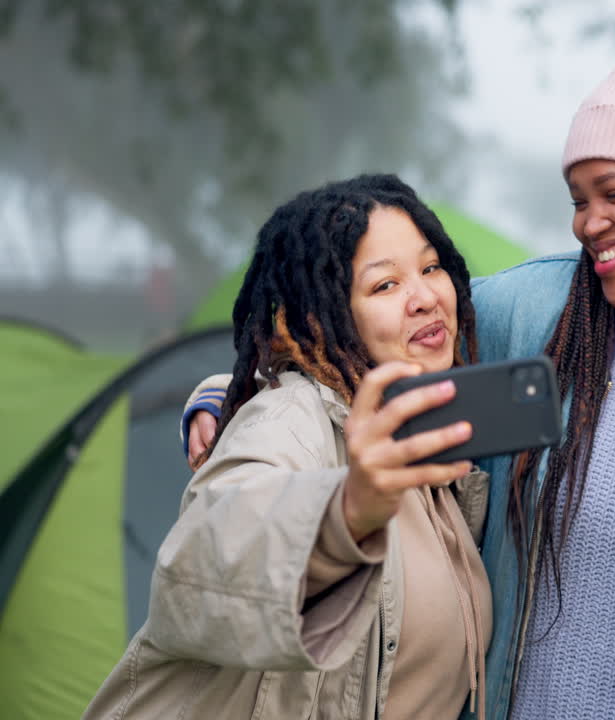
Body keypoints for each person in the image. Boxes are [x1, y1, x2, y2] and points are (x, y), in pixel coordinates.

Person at [181, 33, 615, 718]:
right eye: (577, 198)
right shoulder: (536, 314)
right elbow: (354, 339)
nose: (587, 222)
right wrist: (226, 397)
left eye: (613, 193)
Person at [87, 175, 492, 720]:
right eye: (384, 286)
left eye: (429, 268)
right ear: (321, 318)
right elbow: (198, 565)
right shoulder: (287, 419)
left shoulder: (425, 444)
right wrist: (346, 513)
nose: (423, 298)